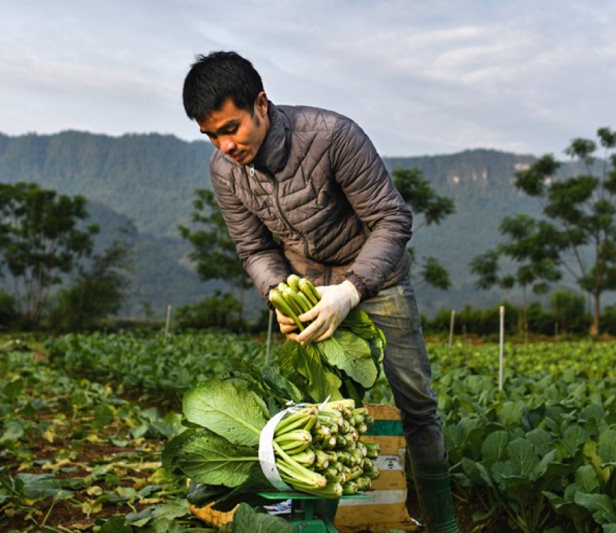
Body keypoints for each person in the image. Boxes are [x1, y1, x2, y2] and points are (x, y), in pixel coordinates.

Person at [182, 51, 459, 533]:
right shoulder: (225, 172)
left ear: (261, 104)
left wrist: (350, 292)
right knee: (318, 415)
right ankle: (327, 523)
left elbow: (392, 220)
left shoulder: (333, 136)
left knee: (415, 404)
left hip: (378, 282)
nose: (224, 145)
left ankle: (443, 523)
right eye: (211, 135)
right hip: (308, 293)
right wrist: (278, 296)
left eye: (231, 128)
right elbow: (253, 250)